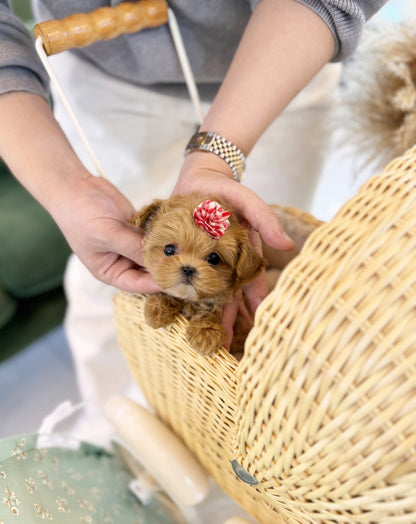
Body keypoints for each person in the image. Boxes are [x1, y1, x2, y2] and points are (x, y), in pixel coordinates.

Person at [0, 0, 387, 439]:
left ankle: (242, 429)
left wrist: (216, 158)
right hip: (100, 77)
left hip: (283, 65)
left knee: (273, 279)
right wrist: (64, 188)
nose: (186, 267)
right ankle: (103, 431)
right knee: (101, 290)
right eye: (171, 251)